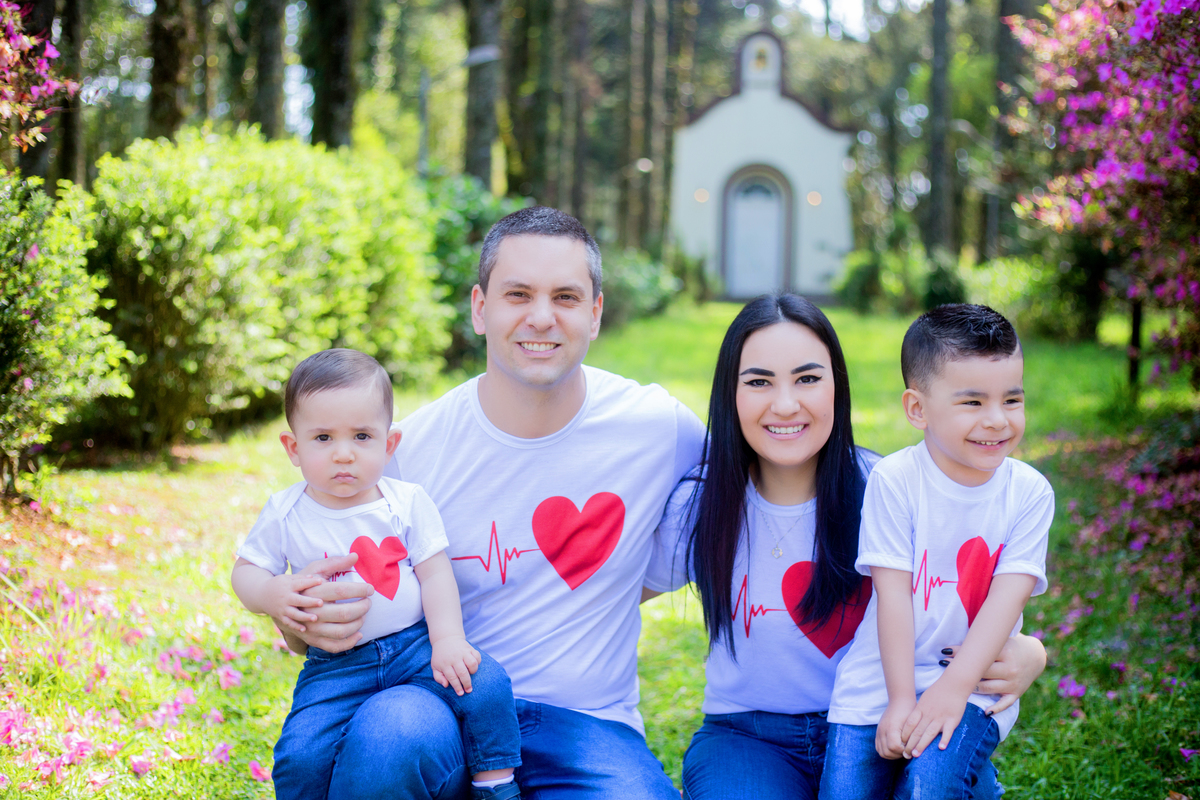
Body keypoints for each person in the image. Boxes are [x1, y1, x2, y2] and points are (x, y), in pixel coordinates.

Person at [270, 207, 707, 799]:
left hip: (587, 726)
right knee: (389, 734)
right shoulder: (410, 451)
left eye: (567, 297)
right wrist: (301, 620)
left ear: (596, 313)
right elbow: (315, 608)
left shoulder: (657, 427)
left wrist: (635, 576)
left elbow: (751, 492)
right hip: (438, 704)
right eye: (518, 294)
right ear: (480, 307)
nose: (543, 317)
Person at [643, 294, 1048, 800]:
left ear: (838, 387)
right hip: (750, 737)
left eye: (808, 379)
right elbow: (601, 598)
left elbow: (972, 596)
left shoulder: (887, 487)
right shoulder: (704, 506)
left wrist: (1031, 652)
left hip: (879, 723)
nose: (786, 404)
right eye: (759, 382)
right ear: (731, 392)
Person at [230, 349, 523, 800]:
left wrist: (446, 640)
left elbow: (435, 573)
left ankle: (496, 785)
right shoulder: (286, 512)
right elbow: (246, 571)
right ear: (293, 448)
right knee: (300, 755)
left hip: (415, 647)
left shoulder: (405, 502)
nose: (343, 454)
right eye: (323, 438)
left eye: (362, 436)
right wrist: (270, 594)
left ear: (389, 444)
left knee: (486, 683)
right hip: (335, 667)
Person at [821, 304, 1053, 800]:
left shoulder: (1029, 493)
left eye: (1012, 400)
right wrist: (901, 699)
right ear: (917, 409)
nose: (997, 420)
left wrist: (953, 689)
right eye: (972, 403)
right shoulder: (896, 480)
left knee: (929, 786)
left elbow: (1006, 602)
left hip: (972, 686)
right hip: (878, 682)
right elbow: (893, 598)